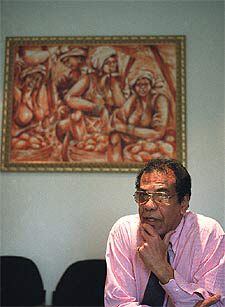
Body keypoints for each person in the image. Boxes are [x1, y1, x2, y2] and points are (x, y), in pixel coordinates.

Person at [104, 158, 225, 306]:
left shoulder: (208, 234)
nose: (148, 205)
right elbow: (117, 303)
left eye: (161, 196)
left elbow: (214, 303)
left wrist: (161, 267)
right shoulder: (123, 231)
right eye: (143, 195)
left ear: (183, 203)